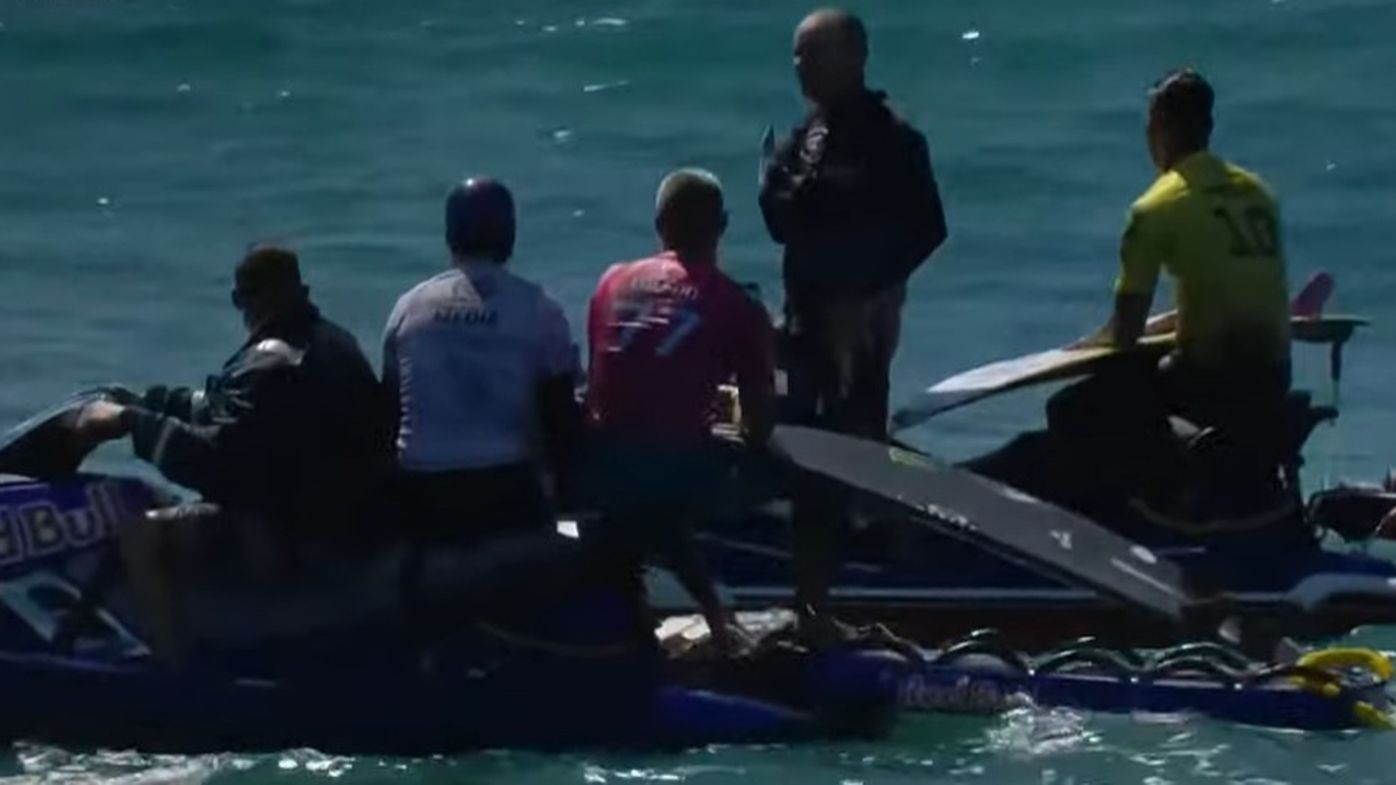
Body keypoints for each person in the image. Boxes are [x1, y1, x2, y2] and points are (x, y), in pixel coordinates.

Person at [74, 245, 394, 658]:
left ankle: (173, 671)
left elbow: (215, 463)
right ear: (302, 290)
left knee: (141, 533)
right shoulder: (331, 342)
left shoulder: (271, 361)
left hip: (296, 532)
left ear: (246, 300)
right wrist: (145, 402)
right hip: (345, 519)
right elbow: (230, 410)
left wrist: (128, 422)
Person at [758, 7, 947, 628]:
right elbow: (779, 220)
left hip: (864, 318)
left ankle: (892, 567)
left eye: (811, 55)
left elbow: (928, 227)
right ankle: (811, 577)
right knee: (803, 442)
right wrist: (783, 185)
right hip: (806, 317)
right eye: (795, 56)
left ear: (854, 59)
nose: (799, 68)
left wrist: (872, 291)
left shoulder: (893, 138)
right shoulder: (806, 137)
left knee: (857, 430)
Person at [586, 168, 776, 654]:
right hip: (673, 472)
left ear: (659, 225)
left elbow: (609, 381)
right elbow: (760, 424)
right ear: (722, 226)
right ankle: (811, 606)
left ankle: (645, 609)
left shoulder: (610, 282)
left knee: (644, 480)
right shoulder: (737, 305)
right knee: (780, 474)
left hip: (599, 467)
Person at [1073, 68, 1291, 426]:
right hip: (1274, 379)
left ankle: (1157, 477)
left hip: (1208, 383)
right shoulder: (1260, 194)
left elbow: (1124, 334)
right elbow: (1233, 286)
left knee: (1074, 407)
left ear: (1160, 128)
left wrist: (1086, 345)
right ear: (1208, 127)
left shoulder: (1156, 207)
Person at [382, 177, 581, 544]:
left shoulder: (409, 307)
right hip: (503, 487)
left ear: (450, 236)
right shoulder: (539, 309)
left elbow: (390, 409)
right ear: (509, 236)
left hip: (421, 487)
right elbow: (561, 420)